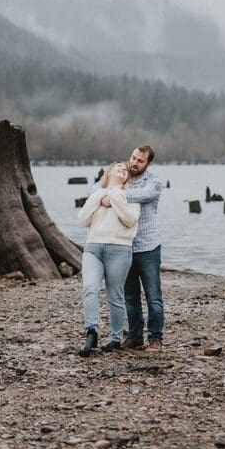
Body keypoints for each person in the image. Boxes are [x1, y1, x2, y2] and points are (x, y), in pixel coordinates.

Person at [103, 144, 164, 352]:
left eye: (140, 160)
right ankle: (135, 337)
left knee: (153, 296)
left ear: (148, 163)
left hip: (148, 246)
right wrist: (112, 189)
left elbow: (142, 195)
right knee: (130, 296)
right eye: (133, 158)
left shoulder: (153, 182)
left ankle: (155, 338)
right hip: (124, 246)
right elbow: (94, 189)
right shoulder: (122, 175)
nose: (134, 163)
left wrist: (113, 195)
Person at [76, 162, 140, 357]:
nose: (123, 169)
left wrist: (114, 195)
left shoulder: (131, 196)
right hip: (93, 248)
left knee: (115, 295)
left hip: (119, 249)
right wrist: (102, 196)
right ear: (109, 171)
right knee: (89, 288)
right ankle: (91, 331)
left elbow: (130, 219)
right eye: (118, 166)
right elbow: (83, 219)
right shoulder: (98, 194)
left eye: (126, 170)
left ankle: (115, 338)